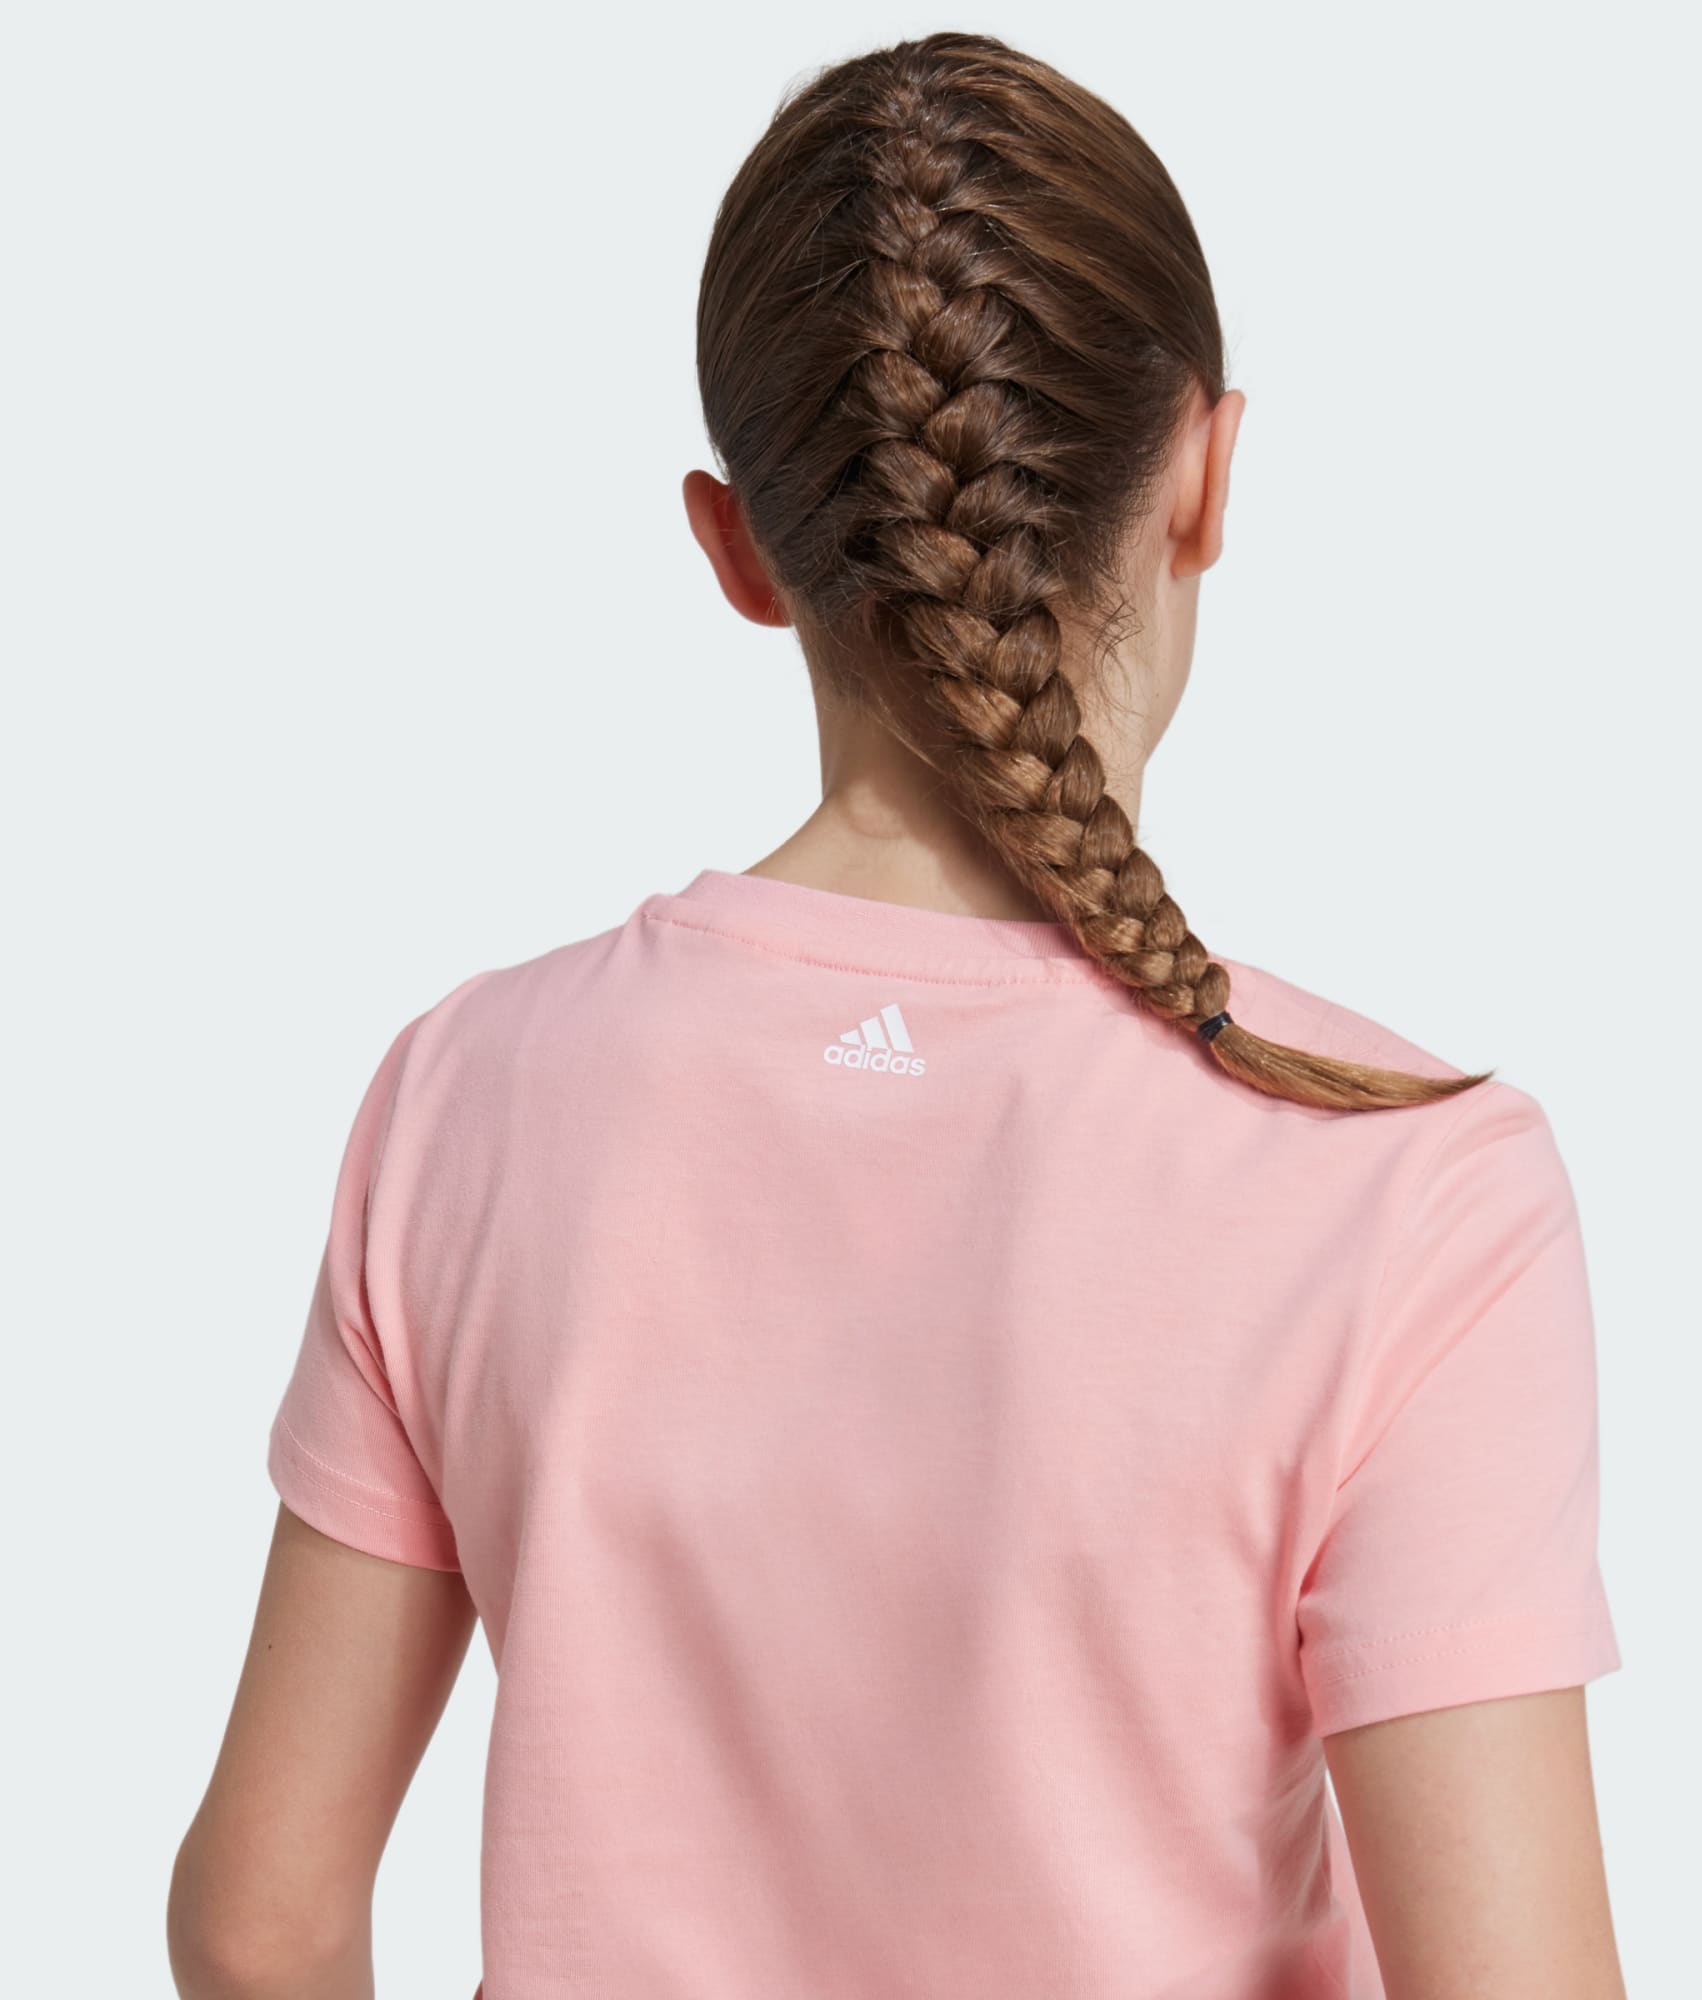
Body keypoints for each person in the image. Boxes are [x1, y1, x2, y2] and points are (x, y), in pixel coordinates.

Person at [168, 31, 1625, 2000]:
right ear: (1206, 477)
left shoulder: (465, 1096)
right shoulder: (1410, 1184)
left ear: (738, 548)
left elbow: (260, 1924)